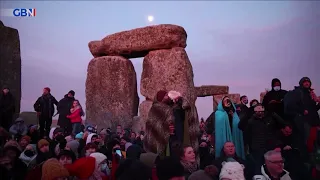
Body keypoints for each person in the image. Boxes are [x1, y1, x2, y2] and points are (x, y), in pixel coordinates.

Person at [144, 90, 199, 158]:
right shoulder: (155, 109)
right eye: (166, 95)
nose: (168, 97)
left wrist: (180, 99)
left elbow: (187, 108)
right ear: (161, 98)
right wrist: (165, 128)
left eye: (168, 95)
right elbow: (153, 126)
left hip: (174, 139)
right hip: (160, 140)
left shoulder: (173, 108)